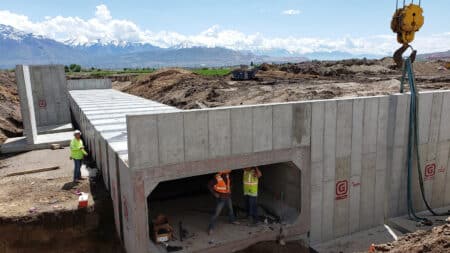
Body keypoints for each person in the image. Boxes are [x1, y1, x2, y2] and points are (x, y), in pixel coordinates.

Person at [207, 170, 239, 235]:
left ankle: (232, 220)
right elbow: (209, 185)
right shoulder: (217, 178)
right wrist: (214, 193)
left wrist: (230, 189)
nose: (229, 170)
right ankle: (211, 228)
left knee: (231, 209)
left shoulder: (228, 176)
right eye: (227, 169)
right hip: (221, 198)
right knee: (216, 213)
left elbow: (231, 183)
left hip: (228, 196)